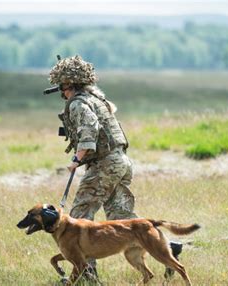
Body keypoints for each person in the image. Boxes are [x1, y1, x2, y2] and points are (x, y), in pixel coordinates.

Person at [48, 55, 181, 281]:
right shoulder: (97, 98)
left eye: (62, 87)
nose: (62, 92)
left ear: (69, 84)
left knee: (79, 218)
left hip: (105, 164)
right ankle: (170, 247)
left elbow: (89, 129)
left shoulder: (80, 104)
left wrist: (76, 159)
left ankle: (86, 275)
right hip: (121, 161)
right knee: (123, 217)